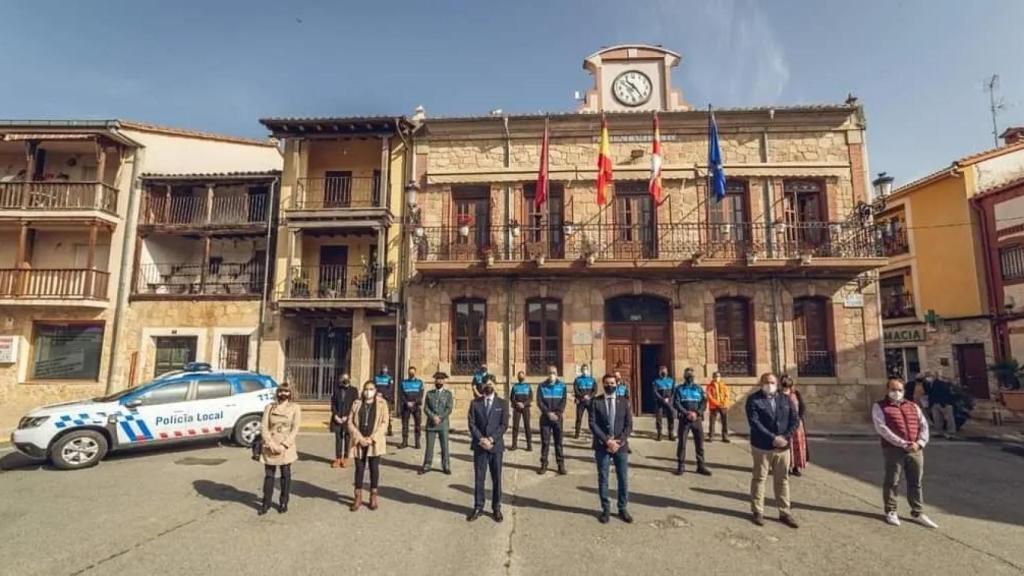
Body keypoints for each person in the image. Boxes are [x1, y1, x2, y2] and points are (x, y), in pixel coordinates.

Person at [872, 377, 939, 528]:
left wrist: (920, 443)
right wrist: (903, 444)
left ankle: (918, 512)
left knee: (916, 482)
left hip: (915, 449)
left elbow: (924, 425)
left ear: (904, 391)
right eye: (893, 389)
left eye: (899, 390)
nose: (896, 392)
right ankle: (891, 511)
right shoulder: (880, 406)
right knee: (892, 481)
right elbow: (882, 428)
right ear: (887, 390)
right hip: (893, 449)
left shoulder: (913, 406)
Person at [746, 373, 800, 528]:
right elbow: (754, 423)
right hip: (762, 446)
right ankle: (758, 511)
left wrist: (785, 437)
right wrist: (773, 438)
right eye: (766, 382)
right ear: (761, 383)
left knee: (782, 480)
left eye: (772, 382)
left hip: (783, 447)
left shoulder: (785, 399)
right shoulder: (753, 400)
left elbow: (795, 420)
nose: (769, 385)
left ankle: (785, 512)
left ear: (777, 384)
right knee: (759, 478)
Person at [590, 373, 634, 524]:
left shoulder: (624, 402)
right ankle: (606, 509)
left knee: (622, 478)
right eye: (607, 383)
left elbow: (629, 425)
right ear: (603, 385)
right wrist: (607, 441)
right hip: (602, 445)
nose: (610, 386)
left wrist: (619, 442)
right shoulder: (596, 402)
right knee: (603, 478)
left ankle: (622, 508)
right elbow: (592, 423)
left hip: (620, 446)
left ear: (617, 384)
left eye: (612, 383)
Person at [467, 377, 509, 522]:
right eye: (486, 383)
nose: (489, 386)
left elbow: (504, 425)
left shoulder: (502, 404)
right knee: (479, 478)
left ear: (495, 385)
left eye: (491, 383)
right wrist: (481, 439)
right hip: (480, 446)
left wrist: (491, 439)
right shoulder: (475, 403)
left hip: (495, 447)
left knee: (496, 478)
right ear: (482, 385)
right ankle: (478, 506)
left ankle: (496, 508)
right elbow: (472, 424)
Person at [258, 384, 301, 515]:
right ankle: (266, 503)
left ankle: (283, 502)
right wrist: (270, 443)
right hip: (270, 444)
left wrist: (284, 445)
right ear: (277, 393)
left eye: (286, 391)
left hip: (286, 445)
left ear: (290, 393)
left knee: (285, 475)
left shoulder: (295, 408)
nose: (283, 394)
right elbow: (264, 427)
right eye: (281, 391)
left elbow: (295, 428)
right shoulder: (270, 407)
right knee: (269, 475)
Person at [348, 381, 389, 512]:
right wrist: (359, 438)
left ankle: (373, 496)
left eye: (371, 389)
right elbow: (350, 422)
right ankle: (358, 496)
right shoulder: (357, 403)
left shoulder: (382, 404)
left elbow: (384, 423)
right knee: (359, 469)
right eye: (366, 389)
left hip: (374, 442)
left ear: (375, 390)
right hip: (359, 441)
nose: (368, 392)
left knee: (374, 468)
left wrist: (372, 438)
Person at [672, 368, 712, 476]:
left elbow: (704, 403)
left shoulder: (698, 388)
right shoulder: (679, 389)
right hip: (684, 419)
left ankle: (701, 465)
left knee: (700, 443)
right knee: (682, 443)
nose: (690, 377)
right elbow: (676, 403)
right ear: (684, 376)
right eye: (688, 375)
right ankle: (681, 465)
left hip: (696, 419)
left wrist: (697, 413)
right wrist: (687, 413)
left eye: (692, 375)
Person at [536, 365, 568, 475]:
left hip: (558, 418)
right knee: (545, 443)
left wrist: (557, 414)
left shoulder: (562, 386)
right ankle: (544, 464)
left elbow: (563, 401)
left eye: (553, 373)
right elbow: (539, 402)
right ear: (547, 373)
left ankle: (560, 465)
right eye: (550, 372)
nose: (552, 375)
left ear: (557, 374)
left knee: (558, 443)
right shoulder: (541, 386)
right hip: (545, 418)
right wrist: (548, 413)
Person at [421, 371, 454, 475]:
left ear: (444, 381)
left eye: (441, 379)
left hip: (443, 424)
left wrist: (440, 417)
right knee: (429, 446)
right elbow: (426, 408)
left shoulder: (448, 394)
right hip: (431, 423)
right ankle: (427, 465)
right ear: (435, 381)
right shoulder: (429, 394)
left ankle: (446, 465)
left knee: (445, 446)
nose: (439, 381)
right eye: (437, 379)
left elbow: (449, 408)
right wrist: (433, 417)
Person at [780, 375, 808, 477]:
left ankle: (796, 467)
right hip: (785, 425)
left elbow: (802, 407)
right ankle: (786, 467)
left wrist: (798, 419)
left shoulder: (796, 393)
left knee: (798, 446)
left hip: (796, 425)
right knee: (786, 446)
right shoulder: (778, 395)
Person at [330, 373, 358, 468]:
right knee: (338, 438)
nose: (344, 380)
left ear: (349, 379)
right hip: (337, 417)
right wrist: (335, 415)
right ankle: (338, 458)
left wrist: (348, 416)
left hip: (348, 418)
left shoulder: (354, 390)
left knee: (347, 438)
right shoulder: (336, 389)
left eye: (346, 378)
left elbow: (355, 404)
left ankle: (346, 458)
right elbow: (333, 403)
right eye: (343, 378)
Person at [923, 372, 956, 439]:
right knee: (937, 418)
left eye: (931, 376)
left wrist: (946, 402)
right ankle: (939, 432)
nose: (929, 378)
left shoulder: (942, 383)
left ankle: (951, 432)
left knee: (949, 418)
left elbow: (946, 392)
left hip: (944, 403)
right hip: (934, 403)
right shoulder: (928, 384)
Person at [399, 366, 424, 449]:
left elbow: (421, 394)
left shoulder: (419, 382)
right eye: (410, 372)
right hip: (406, 406)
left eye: (413, 372)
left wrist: (414, 402)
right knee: (405, 425)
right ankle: (404, 442)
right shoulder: (403, 383)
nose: (411, 373)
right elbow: (401, 394)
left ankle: (417, 442)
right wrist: (407, 402)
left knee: (418, 425)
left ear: (415, 372)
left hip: (416, 406)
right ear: (408, 373)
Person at [510, 371, 534, 451]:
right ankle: (514, 445)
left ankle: (529, 445)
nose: (521, 377)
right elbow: (511, 398)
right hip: (517, 408)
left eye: (522, 376)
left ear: (524, 377)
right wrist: (517, 403)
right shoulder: (515, 387)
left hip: (526, 408)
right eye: (519, 376)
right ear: (518, 377)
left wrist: (524, 404)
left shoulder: (528, 386)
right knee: (515, 427)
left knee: (527, 426)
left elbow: (531, 398)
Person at [705, 371, 731, 443]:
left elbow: (727, 395)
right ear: (713, 377)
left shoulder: (724, 385)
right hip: (714, 406)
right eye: (716, 376)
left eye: (718, 376)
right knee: (712, 422)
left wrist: (724, 403)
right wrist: (717, 404)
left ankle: (725, 436)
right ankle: (711, 436)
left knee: (724, 422)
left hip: (723, 406)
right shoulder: (709, 386)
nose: (717, 378)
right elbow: (709, 396)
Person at [652, 365, 675, 442]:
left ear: (667, 372)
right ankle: (659, 434)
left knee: (671, 417)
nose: (663, 372)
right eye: (662, 371)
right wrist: (662, 399)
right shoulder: (656, 381)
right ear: (659, 372)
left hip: (669, 401)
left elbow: (673, 391)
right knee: (659, 418)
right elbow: (655, 392)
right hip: (660, 402)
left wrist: (670, 399)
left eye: (664, 371)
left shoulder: (671, 381)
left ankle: (671, 433)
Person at [573, 363, 596, 439]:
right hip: (581, 402)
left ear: (588, 370)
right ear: (581, 370)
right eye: (583, 369)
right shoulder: (577, 380)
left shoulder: (592, 379)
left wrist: (590, 396)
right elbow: (576, 390)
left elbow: (595, 390)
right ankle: (577, 434)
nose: (584, 371)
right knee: (579, 418)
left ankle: (593, 432)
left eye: (586, 369)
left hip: (590, 402)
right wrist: (582, 396)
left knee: (592, 418)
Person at [374, 365, 395, 436]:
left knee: (387, 414)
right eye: (383, 368)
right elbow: (374, 387)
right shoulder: (376, 378)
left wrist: (383, 394)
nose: (384, 370)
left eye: (385, 369)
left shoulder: (389, 378)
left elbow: (390, 389)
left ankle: (389, 429)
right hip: (377, 397)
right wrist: (377, 393)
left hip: (386, 398)